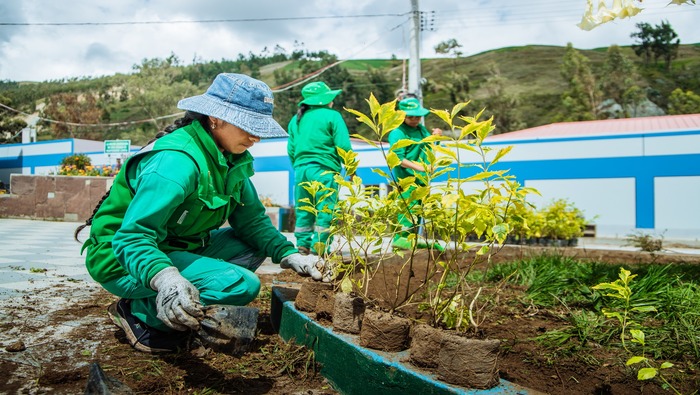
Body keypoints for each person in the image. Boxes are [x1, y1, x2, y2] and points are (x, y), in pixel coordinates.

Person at [75, 73, 325, 354]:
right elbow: (131, 238)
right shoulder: (176, 162)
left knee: (253, 246)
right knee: (241, 285)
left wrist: (290, 255)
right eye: (248, 126)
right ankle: (139, 314)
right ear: (215, 118)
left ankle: (167, 298)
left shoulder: (231, 159)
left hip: (177, 246)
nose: (256, 137)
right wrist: (166, 278)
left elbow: (253, 221)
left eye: (260, 128)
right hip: (121, 258)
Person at [286, 81, 352, 256]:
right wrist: (352, 168)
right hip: (324, 169)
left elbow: (291, 149)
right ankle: (319, 249)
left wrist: (300, 167)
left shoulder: (296, 119)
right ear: (326, 100)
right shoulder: (332, 116)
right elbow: (343, 146)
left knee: (304, 208)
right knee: (325, 209)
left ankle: (302, 246)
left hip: (301, 170)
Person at [388, 97, 444, 251]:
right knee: (408, 209)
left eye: (417, 116)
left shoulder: (421, 130)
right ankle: (401, 239)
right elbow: (397, 159)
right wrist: (419, 168)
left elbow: (429, 147)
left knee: (419, 209)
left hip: (422, 180)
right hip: (406, 180)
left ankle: (412, 239)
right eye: (410, 116)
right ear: (402, 116)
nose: (414, 119)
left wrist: (436, 137)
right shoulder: (397, 133)